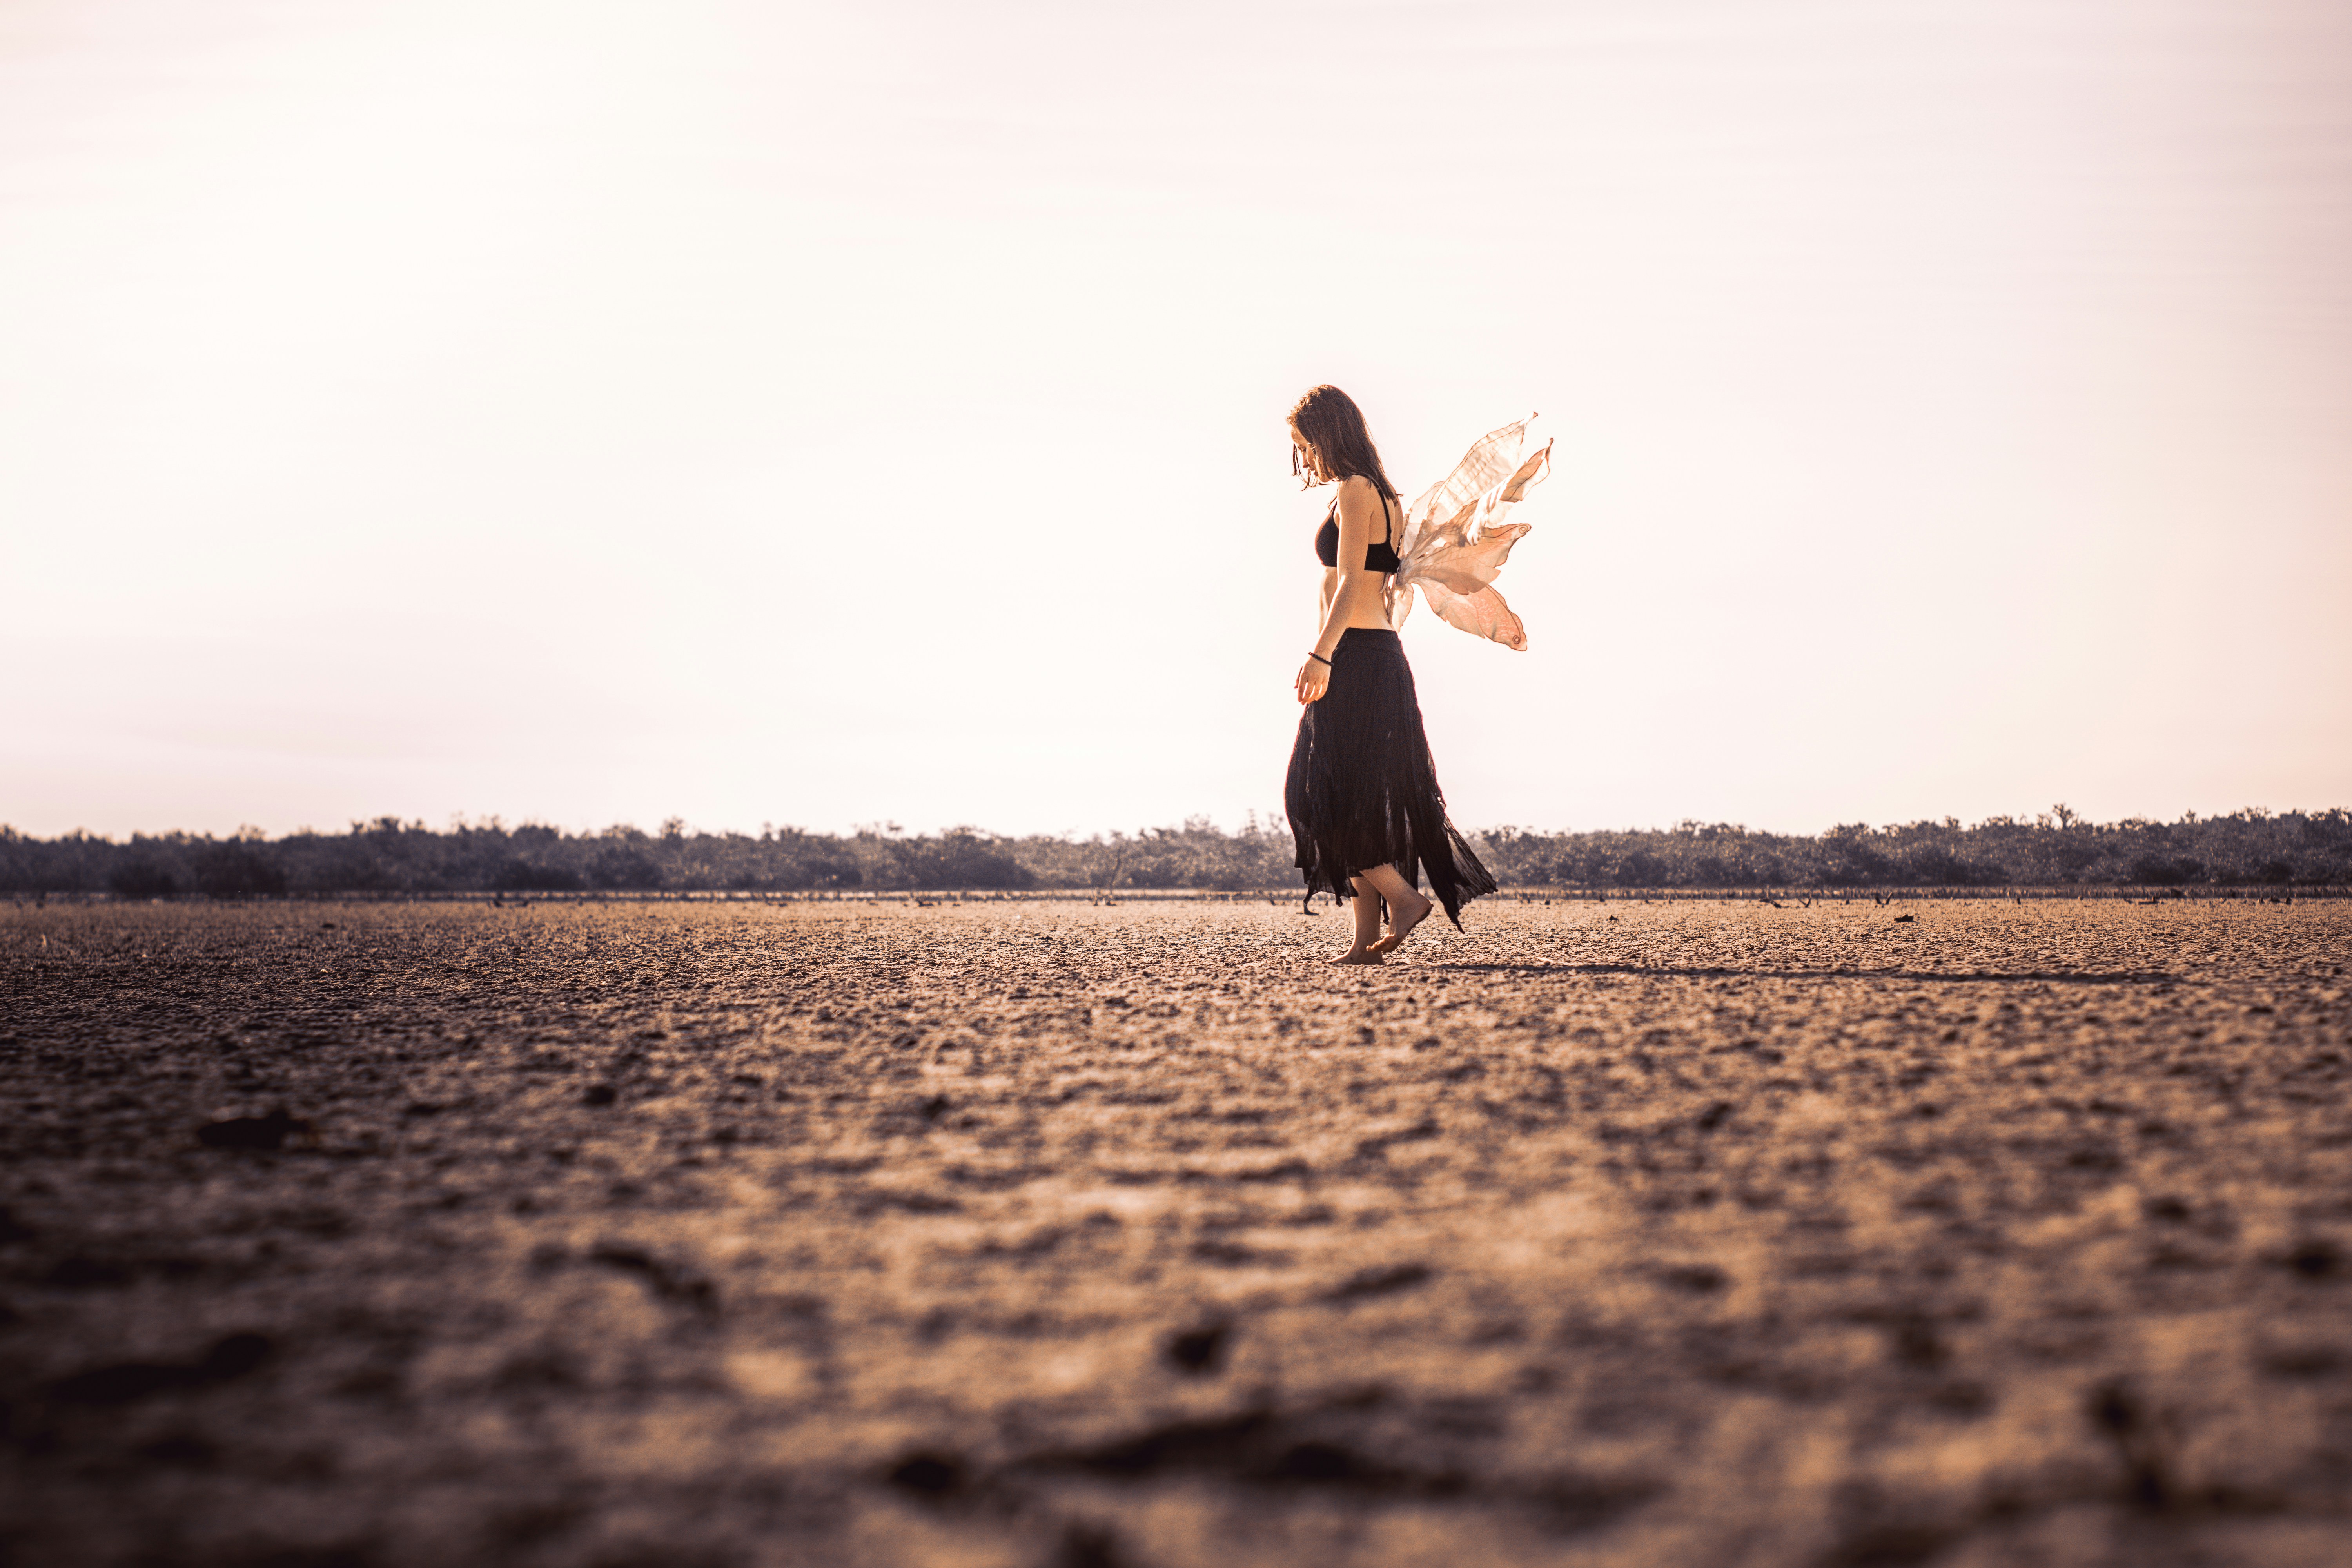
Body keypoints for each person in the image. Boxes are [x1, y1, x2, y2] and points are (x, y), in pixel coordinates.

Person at [1284, 385, 1499, 964]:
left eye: (1305, 445)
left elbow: (1354, 580)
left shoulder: (1357, 491)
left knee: (1313, 797)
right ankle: (1361, 943)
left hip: (1354, 656)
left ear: (1329, 435)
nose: (1304, 458)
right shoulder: (1381, 494)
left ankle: (1404, 901)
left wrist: (1321, 653)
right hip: (1374, 656)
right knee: (1355, 801)